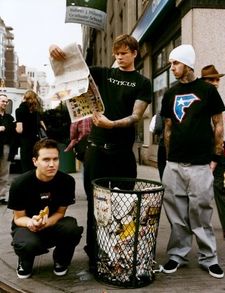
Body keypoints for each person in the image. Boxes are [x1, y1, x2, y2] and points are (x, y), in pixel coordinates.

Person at [49, 34, 152, 271]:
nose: (119, 56)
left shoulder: (142, 82)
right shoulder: (103, 73)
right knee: (95, 203)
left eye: (124, 53)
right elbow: (71, 68)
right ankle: (94, 252)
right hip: (96, 150)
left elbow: (137, 116)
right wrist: (56, 48)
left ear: (134, 53)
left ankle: (119, 249)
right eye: (117, 53)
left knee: (125, 202)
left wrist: (113, 124)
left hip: (122, 152)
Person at [160, 44, 225, 278]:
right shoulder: (169, 93)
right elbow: (167, 128)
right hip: (174, 164)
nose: (172, 68)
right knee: (177, 215)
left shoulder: (207, 91)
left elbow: (219, 124)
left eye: (175, 63)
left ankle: (209, 258)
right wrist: (169, 159)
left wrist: (216, 157)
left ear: (187, 63)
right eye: (170, 64)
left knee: (201, 212)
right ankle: (177, 255)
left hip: (200, 164)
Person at [7, 138, 84, 279]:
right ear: (35, 161)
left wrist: (46, 223)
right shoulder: (20, 183)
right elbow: (18, 218)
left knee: (71, 227)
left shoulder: (66, 181)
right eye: (46, 160)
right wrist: (31, 223)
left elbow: (61, 212)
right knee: (27, 244)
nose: (52, 164)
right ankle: (25, 260)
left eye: (55, 159)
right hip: (26, 226)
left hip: (52, 223)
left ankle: (61, 260)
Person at [201, 64, 225, 240]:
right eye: (211, 79)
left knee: (218, 187)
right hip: (201, 154)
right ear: (203, 81)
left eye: (217, 79)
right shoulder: (200, 98)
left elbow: (221, 129)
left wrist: (221, 153)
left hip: (217, 152)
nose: (215, 82)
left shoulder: (216, 99)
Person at [15, 90, 47, 172]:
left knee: (26, 167)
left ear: (25, 98)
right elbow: (44, 128)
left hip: (25, 142)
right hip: (36, 142)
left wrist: (13, 126)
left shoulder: (20, 110)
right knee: (35, 165)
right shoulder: (36, 112)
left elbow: (19, 130)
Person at [0, 94, 15, 204]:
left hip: (5, 147)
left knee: (4, 173)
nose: (4, 103)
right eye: (2, 101)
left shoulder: (9, 118)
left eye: (6, 102)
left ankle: (2, 196)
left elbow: (12, 134)